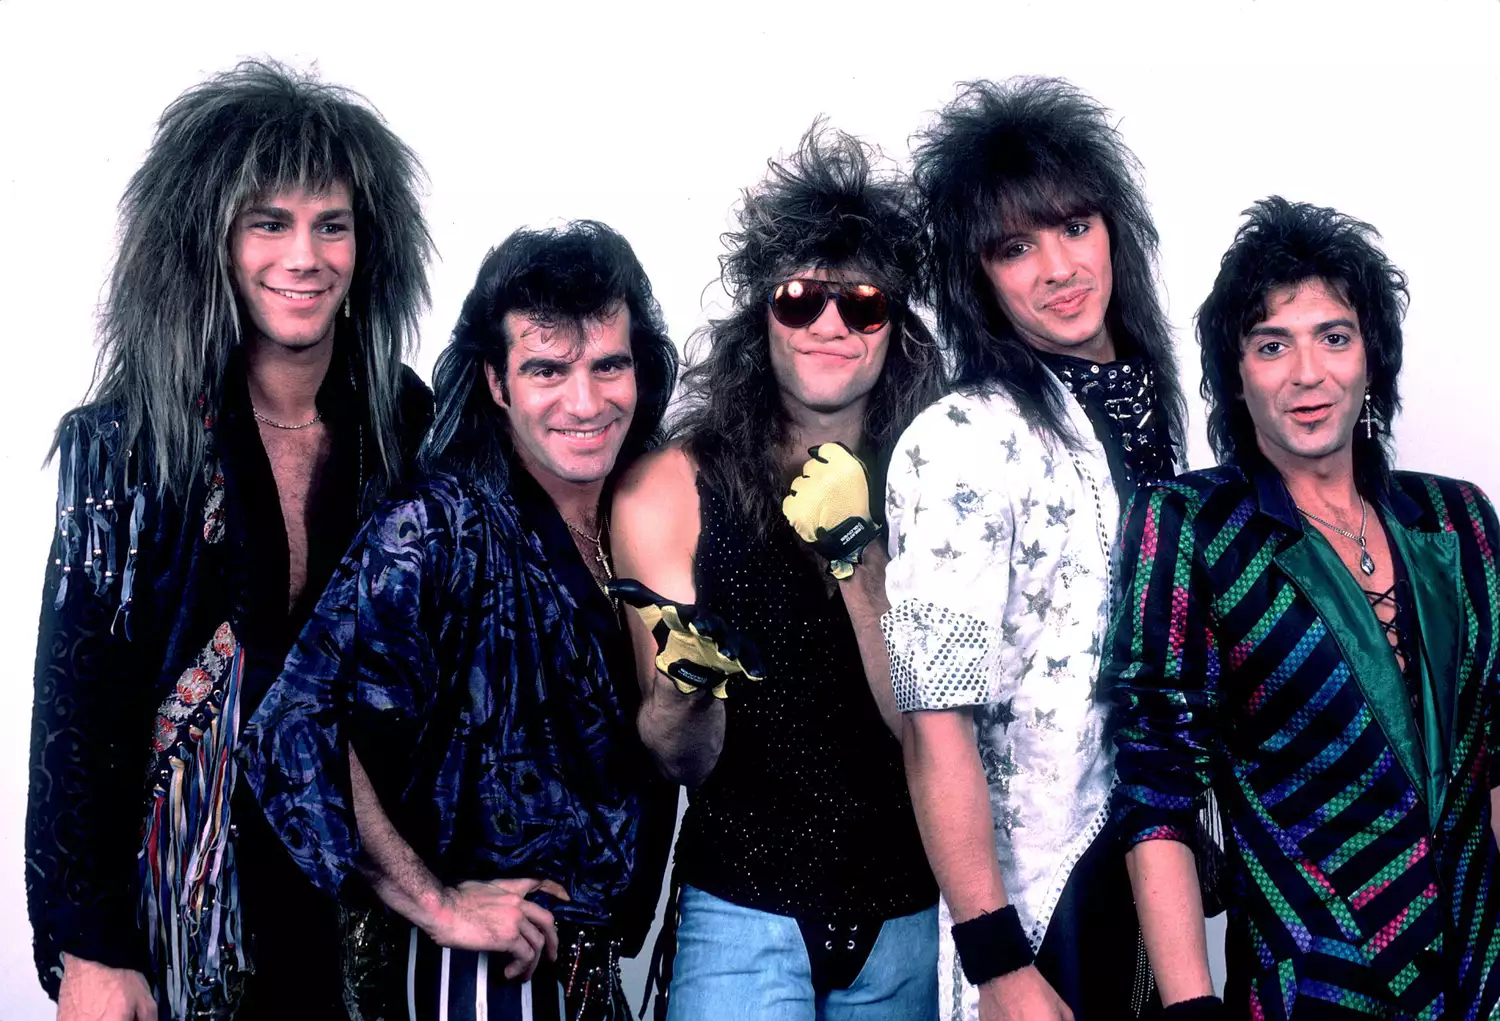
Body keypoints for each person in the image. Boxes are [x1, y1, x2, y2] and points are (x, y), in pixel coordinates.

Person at [25, 61, 434, 1020]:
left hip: (360, 916)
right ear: (212, 242)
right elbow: (73, 716)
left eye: (332, 224)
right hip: (180, 917)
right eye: (270, 222)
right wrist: (86, 944)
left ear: (369, 246)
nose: (306, 255)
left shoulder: (403, 428)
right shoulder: (129, 443)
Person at [245, 221, 679, 1021]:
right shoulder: (441, 526)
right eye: (547, 369)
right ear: (498, 382)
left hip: (586, 977)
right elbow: (291, 720)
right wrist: (437, 902)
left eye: (608, 365)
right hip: (476, 983)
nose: (584, 401)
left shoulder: (646, 519)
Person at [1107, 196, 1500, 1020]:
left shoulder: (1460, 521)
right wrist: (1189, 1007)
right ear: (1237, 375)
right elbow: (1158, 797)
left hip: (1481, 980)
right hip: (1317, 991)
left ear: (1371, 359)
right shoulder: (1191, 528)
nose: (1307, 372)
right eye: (1271, 344)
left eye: (1334, 336)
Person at [609, 126, 945, 1020]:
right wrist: (683, 687)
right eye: (801, 299)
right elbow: (682, 758)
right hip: (739, 913)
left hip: (908, 917)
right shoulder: (669, 490)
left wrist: (858, 558)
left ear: (895, 327)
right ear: (764, 314)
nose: (830, 324)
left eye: (862, 303)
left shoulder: (941, 486)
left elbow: (930, 737)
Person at [886, 77, 1187, 1021]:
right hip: (1040, 900)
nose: (1058, 267)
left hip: (1152, 873)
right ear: (976, 277)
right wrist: (997, 964)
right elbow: (934, 718)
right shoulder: (961, 438)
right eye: (1015, 247)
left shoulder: (1151, 425)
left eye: (1075, 226)